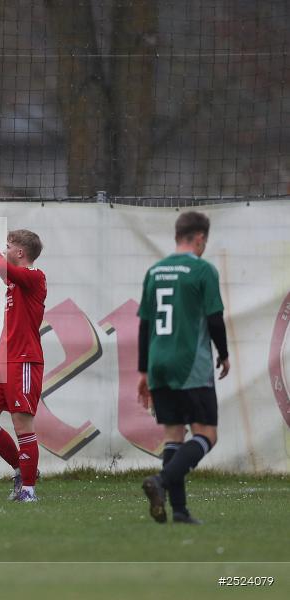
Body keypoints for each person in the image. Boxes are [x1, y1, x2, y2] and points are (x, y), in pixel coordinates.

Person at [138, 211, 229, 525]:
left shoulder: (155, 271)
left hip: (158, 362)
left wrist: (143, 371)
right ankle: (161, 481)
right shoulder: (202, 270)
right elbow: (215, 319)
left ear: (178, 235)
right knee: (207, 434)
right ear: (200, 238)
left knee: (174, 434)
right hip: (189, 362)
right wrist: (225, 354)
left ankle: (179, 511)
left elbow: (144, 325)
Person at [0, 226, 46, 502]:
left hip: (24, 362)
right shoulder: (16, 280)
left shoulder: (34, 276)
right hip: (3, 364)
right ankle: (22, 469)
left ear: (20, 252)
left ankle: (28, 490)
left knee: (22, 426)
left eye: (7, 246)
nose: (4, 250)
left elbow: (4, 270)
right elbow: (4, 270)